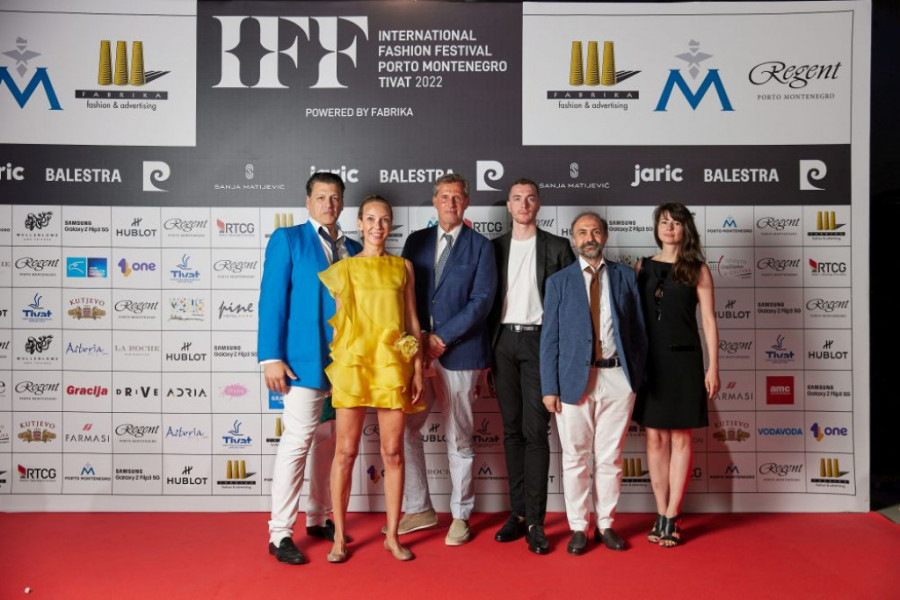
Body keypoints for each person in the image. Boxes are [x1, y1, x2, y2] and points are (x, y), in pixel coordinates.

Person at [258, 172, 362, 565]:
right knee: (297, 442)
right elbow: (271, 299)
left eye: (335, 198)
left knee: (328, 441)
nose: (328, 204)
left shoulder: (354, 248)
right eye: (321, 197)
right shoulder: (287, 239)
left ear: (342, 203)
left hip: (345, 363)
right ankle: (280, 533)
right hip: (302, 361)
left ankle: (318, 518)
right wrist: (271, 356)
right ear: (307, 202)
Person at [319, 195, 425, 563]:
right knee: (345, 452)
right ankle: (338, 538)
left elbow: (412, 321)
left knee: (393, 453)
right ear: (360, 224)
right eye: (370, 219)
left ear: (390, 225)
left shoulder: (403, 267)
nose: (377, 226)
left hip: (392, 366)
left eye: (384, 220)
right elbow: (339, 326)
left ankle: (392, 536)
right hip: (354, 366)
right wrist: (336, 372)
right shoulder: (344, 269)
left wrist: (417, 368)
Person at [396, 173, 497, 546]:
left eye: (457, 197)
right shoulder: (415, 241)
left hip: (461, 353)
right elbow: (403, 294)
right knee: (405, 430)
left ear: (466, 202)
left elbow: (481, 301)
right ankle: (419, 507)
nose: (450, 203)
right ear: (434, 201)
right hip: (417, 354)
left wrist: (442, 338)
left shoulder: (481, 247)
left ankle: (460, 515)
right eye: (444, 196)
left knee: (459, 437)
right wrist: (420, 339)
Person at [540, 211, 647, 556]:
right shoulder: (558, 282)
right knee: (574, 457)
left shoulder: (625, 276)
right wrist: (549, 387)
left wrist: (635, 378)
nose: (589, 238)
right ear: (574, 239)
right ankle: (578, 527)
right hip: (574, 380)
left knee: (610, 457)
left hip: (617, 379)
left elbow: (638, 331)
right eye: (582, 232)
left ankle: (605, 524)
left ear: (606, 236)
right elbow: (549, 339)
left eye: (596, 231)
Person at [488, 179, 574, 554]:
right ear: (508, 206)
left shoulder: (558, 247)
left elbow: (571, 306)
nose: (524, 204)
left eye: (530, 198)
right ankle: (519, 513)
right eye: (517, 199)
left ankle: (537, 522)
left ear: (538, 205)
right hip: (502, 342)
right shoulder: (492, 248)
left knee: (536, 431)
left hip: (541, 342)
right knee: (511, 431)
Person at [632, 202, 719, 548]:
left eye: (676, 222)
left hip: (684, 361)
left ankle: (673, 514)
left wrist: (713, 366)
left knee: (681, 437)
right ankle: (660, 511)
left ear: (686, 229)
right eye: (663, 222)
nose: (669, 227)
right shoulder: (642, 266)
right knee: (654, 438)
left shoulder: (697, 269)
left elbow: (708, 321)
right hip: (649, 363)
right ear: (657, 229)